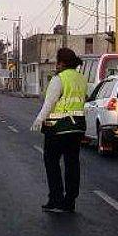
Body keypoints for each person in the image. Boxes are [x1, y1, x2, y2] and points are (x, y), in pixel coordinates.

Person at [30, 47, 87, 213]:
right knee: (72, 164)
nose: (56, 65)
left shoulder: (58, 79)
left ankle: (55, 198)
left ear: (61, 63)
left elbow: (50, 103)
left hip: (57, 128)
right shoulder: (81, 79)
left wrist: (39, 120)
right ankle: (70, 201)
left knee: (52, 163)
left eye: (57, 62)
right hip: (77, 128)